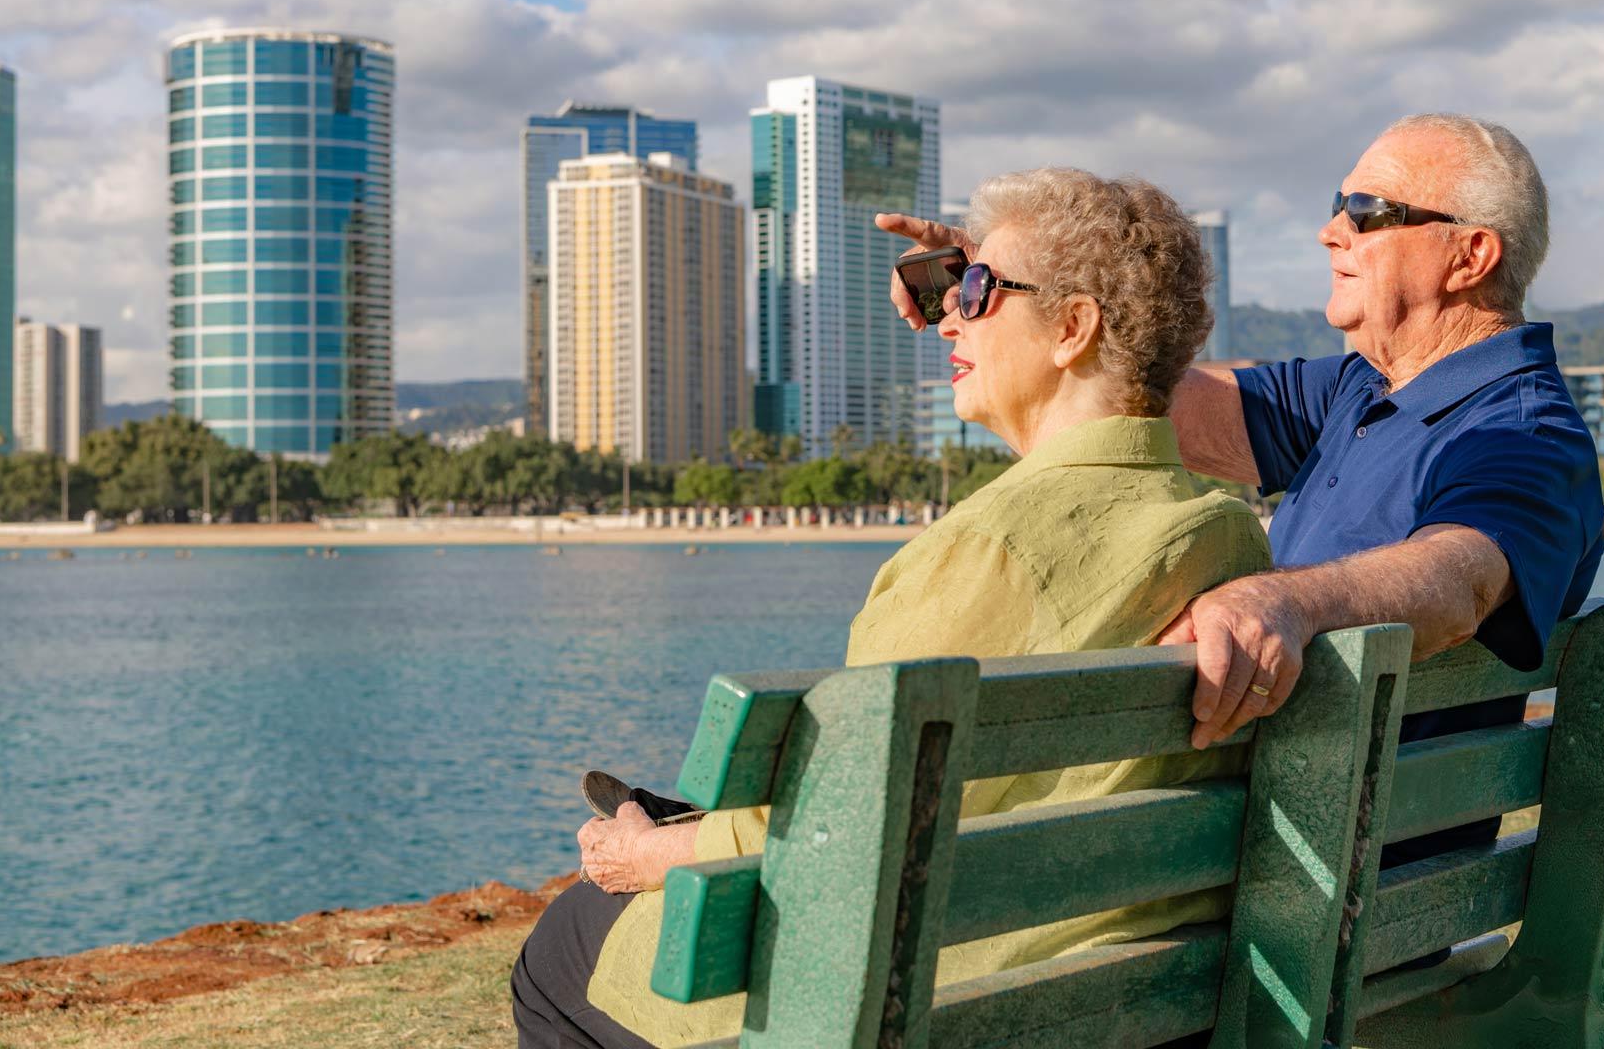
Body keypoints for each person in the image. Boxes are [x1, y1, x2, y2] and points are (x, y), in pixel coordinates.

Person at [513, 168, 1271, 1047]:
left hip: (947, 999)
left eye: (979, 289)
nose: (947, 314)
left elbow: (837, 823)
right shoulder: (1227, 537)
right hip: (1131, 989)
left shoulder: (989, 548)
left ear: (1073, 328)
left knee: (565, 948)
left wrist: (648, 856)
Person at [884, 113, 1604, 864]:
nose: (1331, 233)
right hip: (1294, 871)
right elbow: (1126, 387)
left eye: (1366, 214)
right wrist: (1005, 290)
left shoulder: (1523, 434)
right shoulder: (1365, 389)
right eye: (1337, 206)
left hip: (1325, 903)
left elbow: (1461, 577)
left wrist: (1285, 600)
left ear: (1470, 256)